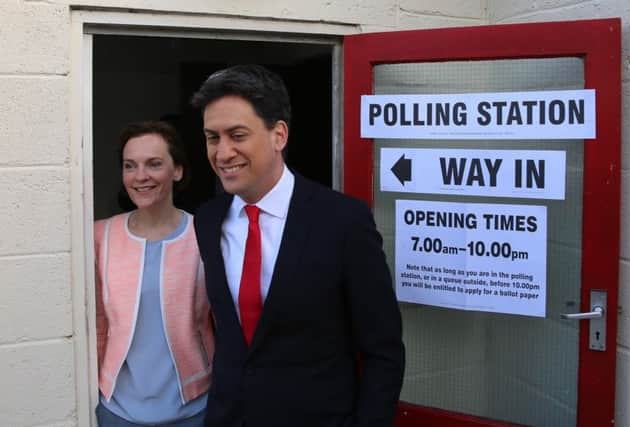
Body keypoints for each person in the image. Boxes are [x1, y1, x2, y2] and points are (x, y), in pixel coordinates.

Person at [191, 64, 405, 427]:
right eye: (213, 137)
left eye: (237, 135)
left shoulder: (342, 220)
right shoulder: (208, 220)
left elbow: (383, 350)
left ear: (279, 135)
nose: (223, 152)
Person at [94, 121, 214, 426]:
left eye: (154, 164)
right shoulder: (100, 236)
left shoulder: (206, 236)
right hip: (117, 410)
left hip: (194, 408)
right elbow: (96, 324)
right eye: (130, 166)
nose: (140, 176)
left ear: (178, 171)